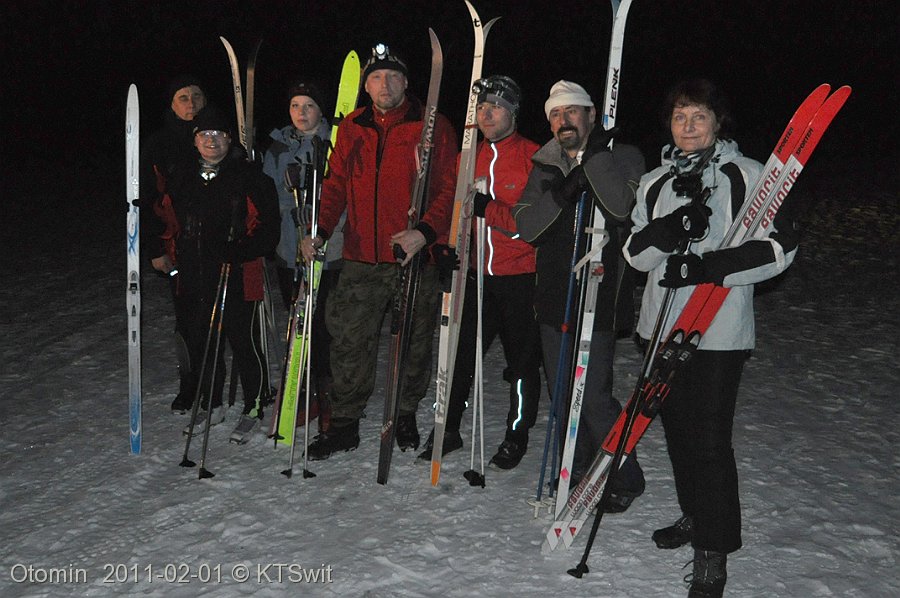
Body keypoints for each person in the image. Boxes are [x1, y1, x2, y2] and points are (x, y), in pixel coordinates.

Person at [623, 79, 798, 597]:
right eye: (680, 117)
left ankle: (713, 550)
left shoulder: (749, 175)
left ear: (718, 122)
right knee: (677, 436)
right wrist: (663, 234)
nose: (689, 127)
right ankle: (695, 516)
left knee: (709, 442)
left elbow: (780, 248)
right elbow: (635, 255)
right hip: (661, 328)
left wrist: (707, 267)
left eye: (699, 116)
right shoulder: (655, 181)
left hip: (717, 333)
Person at [299, 43, 457, 460]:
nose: (383, 84)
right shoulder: (353, 126)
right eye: (375, 77)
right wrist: (320, 230)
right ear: (365, 85)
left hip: (412, 254)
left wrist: (424, 232)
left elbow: (448, 188)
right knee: (349, 339)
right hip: (361, 256)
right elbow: (335, 185)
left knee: (414, 341)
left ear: (406, 82)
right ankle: (345, 423)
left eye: (392, 77)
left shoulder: (432, 126)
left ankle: (403, 413)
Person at [513, 80, 646, 508]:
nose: (563, 120)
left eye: (572, 112)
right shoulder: (545, 164)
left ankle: (624, 478)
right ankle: (583, 469)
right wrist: (563, 194)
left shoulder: (622, 155)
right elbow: (528, 226)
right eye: (555, 113)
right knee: (563, 391)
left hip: (600, 292)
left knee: (593, 396)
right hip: (554, 295)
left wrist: (597, 159)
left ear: (591, 115)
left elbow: (622, 209)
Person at [417, 75, 542, 470]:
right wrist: (444, 247)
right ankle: (448, 428)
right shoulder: (467, 156)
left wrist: (491, 209)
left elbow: (534, 223)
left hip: (521, 277)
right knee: (459, 358)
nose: (487, 114)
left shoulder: (535, 157)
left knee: (522, 364)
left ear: (514, 112)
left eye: (497, 107)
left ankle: (516, 434)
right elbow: (448, 208)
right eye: (482, 108)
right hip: (475, 277)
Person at [164, 107, 280, 442]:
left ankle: (254, 403)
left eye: (218, 135)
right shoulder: (184, 176)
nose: (211, 141)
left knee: (244, 340)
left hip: (237, 272)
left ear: (229, 138)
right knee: (204, 340)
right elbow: (172, 221)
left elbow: (268, 229)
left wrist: (241, 249)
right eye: (204, 135)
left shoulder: (249, 176)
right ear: (195, 140)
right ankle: (212, 401)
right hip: (196, 273)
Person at [262, 81, 337, 431]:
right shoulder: (278, 147)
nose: (302, 112)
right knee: (298, 326)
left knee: (323, 326)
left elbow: (344, 193)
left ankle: (328, 396)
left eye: (309, 105)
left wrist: (319, 224)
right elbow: (267, 193)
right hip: (289, 250)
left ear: (320, 110)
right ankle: (300, 392)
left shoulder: (335, 142)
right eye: (295, 105)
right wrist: (290, 209)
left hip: (328, 252)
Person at [143, 75, 208, 413]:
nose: (191, 103)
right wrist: (154, 250)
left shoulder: (217, 136)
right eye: (183, 97)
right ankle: (190, 384)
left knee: (219, 316)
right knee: (186, 318)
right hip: (175, 245)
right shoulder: (158, 144)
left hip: (213, 244)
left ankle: (214, 382)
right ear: (171, 104)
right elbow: (149, 199)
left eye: (196, 95)